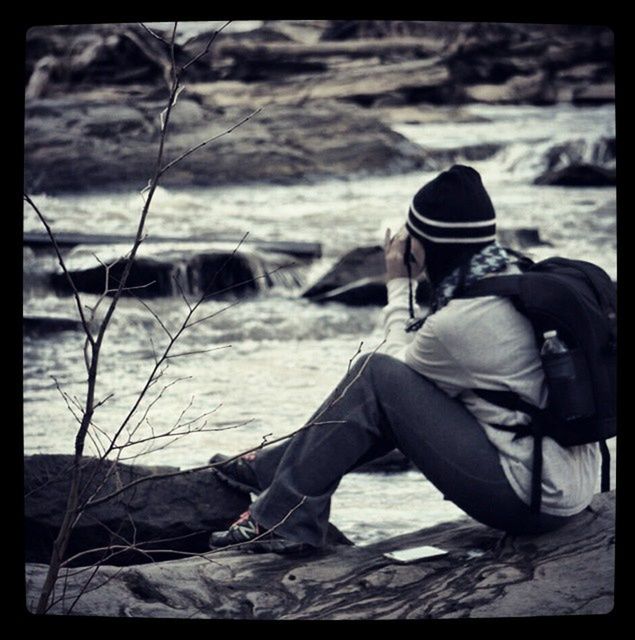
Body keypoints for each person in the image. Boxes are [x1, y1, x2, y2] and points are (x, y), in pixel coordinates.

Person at [208, 164, 601, 554]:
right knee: (384, 387)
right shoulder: (514, 274)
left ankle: (282, 519)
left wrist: (399, 284)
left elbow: (387, 374)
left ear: (427, 247)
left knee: (373, 375)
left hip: (531, 498)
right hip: (569, 482)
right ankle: (274, 471)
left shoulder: (462, 320)